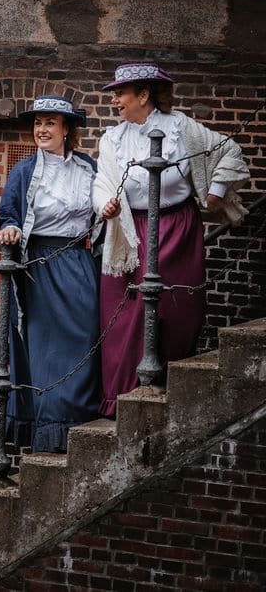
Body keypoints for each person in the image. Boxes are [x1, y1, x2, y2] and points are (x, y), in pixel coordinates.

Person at [92, 63, 250, 416]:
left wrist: (216, 192)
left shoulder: (182, 129)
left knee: (176, 309)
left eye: (120, 93)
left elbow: (230, 151)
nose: (114, 100)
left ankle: (166, 389)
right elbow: (102, 180)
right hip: (129, 232)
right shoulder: (112, 139)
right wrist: (107, 204)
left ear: (144, 95)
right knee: (123, 314)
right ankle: (121, 400)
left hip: (177, 229)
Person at [0, 95, 102, 453]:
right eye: (38, 123)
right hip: (38, 267)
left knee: (86, 336)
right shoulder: (23, 171)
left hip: (79, 263)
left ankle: (80, 421)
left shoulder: (89, 167)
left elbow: (102, 207)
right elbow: (8, 213)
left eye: (50, 123)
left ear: (67, 129)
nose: (42, 129)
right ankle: (48, 431)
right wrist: (9, 230)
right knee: (44, 351)